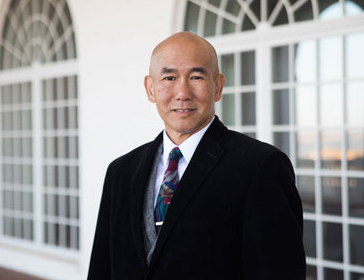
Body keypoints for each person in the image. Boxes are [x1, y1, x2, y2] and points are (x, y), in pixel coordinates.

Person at [88, 32, 305, 279]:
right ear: (150, 88)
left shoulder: (261, 167)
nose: (182, 92)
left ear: (218, 86)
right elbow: (101, 268)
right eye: (169, 77)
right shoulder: (120, 172)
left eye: (196, 76)